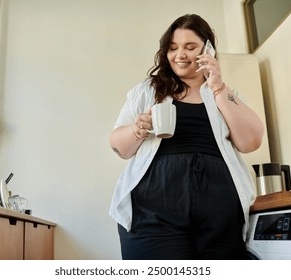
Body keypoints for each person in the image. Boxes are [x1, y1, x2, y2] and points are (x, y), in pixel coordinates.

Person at [109, 14, 264, 260]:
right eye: (173, 48)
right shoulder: (146, 91)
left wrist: (218, 86)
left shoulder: (224, 93)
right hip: (153, 210)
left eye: (190, 47)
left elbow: (251, 142)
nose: (179, 55)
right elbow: (120, 148)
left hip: (219, 212)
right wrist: (135, 131)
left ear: (208, 50)